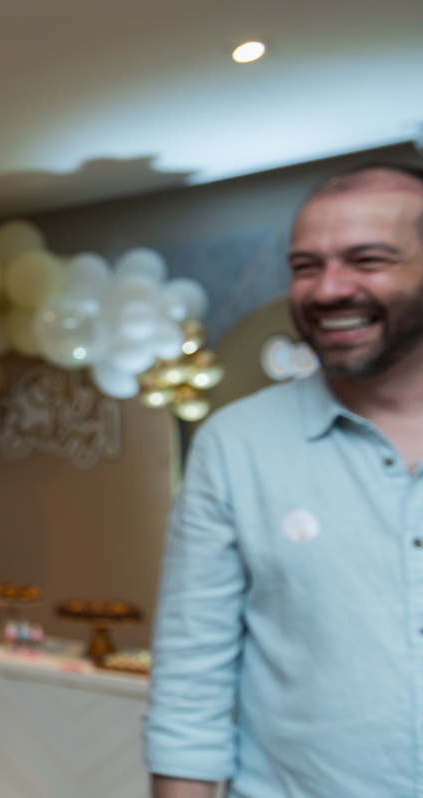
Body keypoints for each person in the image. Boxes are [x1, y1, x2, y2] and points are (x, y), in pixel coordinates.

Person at [145, 163, 423, 798]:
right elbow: (191, 691)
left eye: (367, 259)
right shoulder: (235, 445)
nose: (328, 290)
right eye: (305, 266)